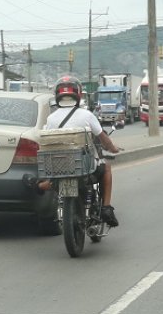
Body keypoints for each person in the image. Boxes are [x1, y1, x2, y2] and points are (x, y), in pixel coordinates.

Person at [44, 76, 123, 227]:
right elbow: (103, 139)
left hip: (60, 167)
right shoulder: (87, 115)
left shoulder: (51, 119)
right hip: (84, 168)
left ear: (57, 95)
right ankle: (106, 208)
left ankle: (39, 187)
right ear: (78, 94)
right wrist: (113, 148)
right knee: (106, 168)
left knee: (49, 182)